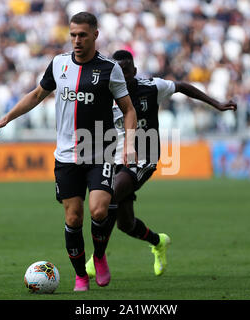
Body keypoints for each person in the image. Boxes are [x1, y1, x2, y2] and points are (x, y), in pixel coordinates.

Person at [0, 13, 137, 292]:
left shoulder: (109, 69)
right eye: (72, 35)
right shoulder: (58, 64)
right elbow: (36, 95)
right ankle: (81, 275)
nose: (77, 40)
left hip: (100, 152)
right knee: (73, 218)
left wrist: (128, 143)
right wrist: (7, 118)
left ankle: (100, 256)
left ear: (95, 34)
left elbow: (128, 109)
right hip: (67, 156)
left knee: (99, 209)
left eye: (82, 34)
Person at [86, 49, 237, 277]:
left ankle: (97, 258)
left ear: (134, 71)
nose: (123, 77)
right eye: (119, 72)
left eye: (127, 72)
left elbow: (183, 86)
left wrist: (216, 104)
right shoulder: (105, 93)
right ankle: (158, 242)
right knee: (126, 224)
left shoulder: (151, 87)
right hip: (114, 157)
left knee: (109, 197)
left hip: (144, 156)